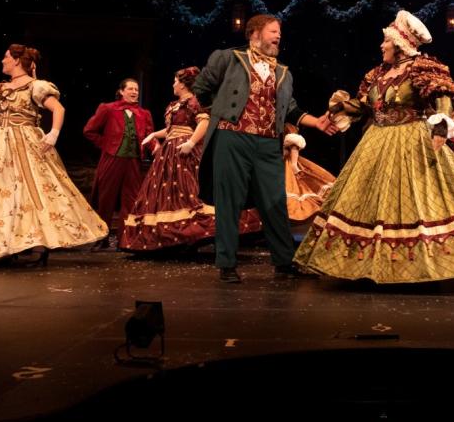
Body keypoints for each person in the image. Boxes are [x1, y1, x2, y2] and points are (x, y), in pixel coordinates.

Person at [294, 10, 454, 282]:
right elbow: (367, 106)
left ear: (400, 44)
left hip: (411, 138)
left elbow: (443, 100)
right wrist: (341, 107)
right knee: (371, 202)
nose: (382, 46)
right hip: (377, 140)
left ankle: (422, 264)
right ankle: (365, 262)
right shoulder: (378, 74)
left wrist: (440, 130)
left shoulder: (423, 68)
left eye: (386, 42)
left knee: (418, 198)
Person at [193, 15, 336, 283]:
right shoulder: (229, 58)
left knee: (275, 202)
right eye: (273, 31)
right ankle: (227, 264)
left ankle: (283, 264)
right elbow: (202, 88)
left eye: (279, 33)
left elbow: (290, 109)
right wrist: (221, 114)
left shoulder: (282, 72)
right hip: (232, 137)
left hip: (268, 142)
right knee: (229, 201)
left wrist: (316, 122)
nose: (278, 36)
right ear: (254, 34)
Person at [0, 44, 107, 262]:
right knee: (3, 193)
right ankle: (7, 244)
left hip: (25, 142)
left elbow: (58, 109)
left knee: (33, 191)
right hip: (0, 146)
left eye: (5, 57)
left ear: (15, 60)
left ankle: (39, 247)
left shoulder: (36, 86)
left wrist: (53, 134)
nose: (2, 61)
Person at [121, 67, 260, 251]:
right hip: (169, 151)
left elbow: (205, 122)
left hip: (185, 150)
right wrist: (154, 134)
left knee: (191, 192)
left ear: (183, 85)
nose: (173, 84)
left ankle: (197, 234)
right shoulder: (174, 105)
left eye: (175, 82)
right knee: (167, 195)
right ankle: (174, 239)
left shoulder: (195, 101)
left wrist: (192, 142)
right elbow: (171, 130)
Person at [83, 77, 153, 247]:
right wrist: (107, 145)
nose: (134, 92)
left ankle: (125, 239)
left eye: (136, 89)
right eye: (130, 89)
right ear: (121, 91)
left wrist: (156, 147)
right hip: (112, 158)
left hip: (133, 161)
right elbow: (89, 131)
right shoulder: (108, 109)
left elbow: (149, 135)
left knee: (131, 199)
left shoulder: (144, 114)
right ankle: (102, 238)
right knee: (106, 199)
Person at [283, 125, 336, 225]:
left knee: (295, 187)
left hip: (287, 163)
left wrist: (294, 165)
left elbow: (294, 146)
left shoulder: (288, 126)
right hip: (275, 162)